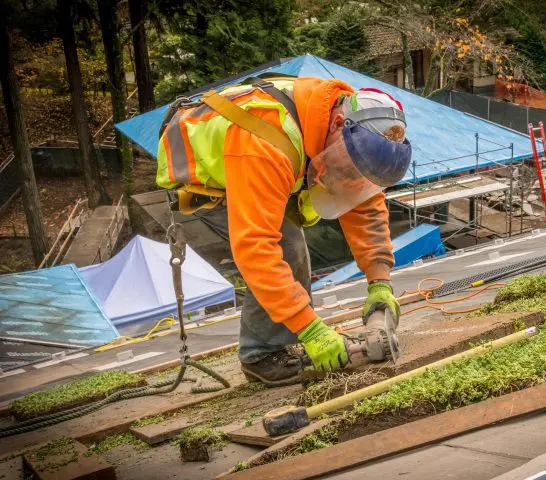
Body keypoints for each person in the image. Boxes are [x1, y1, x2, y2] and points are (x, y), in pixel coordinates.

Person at [157, 76, 411, 386]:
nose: (349, 176)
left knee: (292, 246)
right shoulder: (265, 139)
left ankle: (293, 337)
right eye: (349, 166)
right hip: (210, 173)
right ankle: (262, 356)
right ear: (338, 124)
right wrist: (311, 329)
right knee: (287, 248)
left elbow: (364, 203)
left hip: (262, 157)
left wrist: (379, 281)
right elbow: (255, 247)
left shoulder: (346, 126)